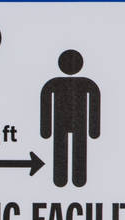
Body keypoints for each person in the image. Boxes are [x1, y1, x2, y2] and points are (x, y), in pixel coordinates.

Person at [40, 48, 100, 188]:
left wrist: (46, 130)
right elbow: (46, 103)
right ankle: (62, 179)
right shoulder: (84, 83)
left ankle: (76, 179)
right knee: (64, 150)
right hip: (67, 123)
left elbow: (94, 103)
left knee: (77, 150)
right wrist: (94, 130)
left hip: (74, 123)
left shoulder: (84, 83)